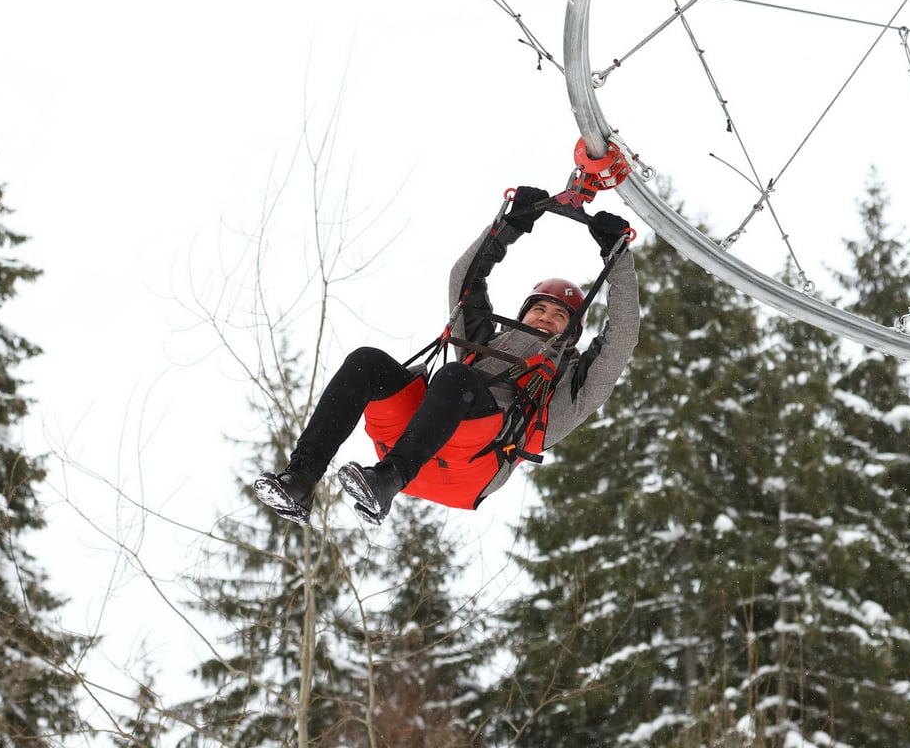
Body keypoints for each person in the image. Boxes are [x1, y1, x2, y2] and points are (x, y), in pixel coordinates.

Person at [253, 185, 640, 527]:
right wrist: (512, 224)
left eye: (560, 317)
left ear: (571, 335)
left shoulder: (571, 382)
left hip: (478, 460)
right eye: (539, 309)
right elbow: (465, 281)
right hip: (421, 434)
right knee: (366, 361)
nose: (546, 319)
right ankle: (301, 480)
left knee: (456, 377)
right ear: (522, 314)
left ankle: (387, 481)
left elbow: (621, 338)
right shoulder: (485, 341)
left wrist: (617, 258)